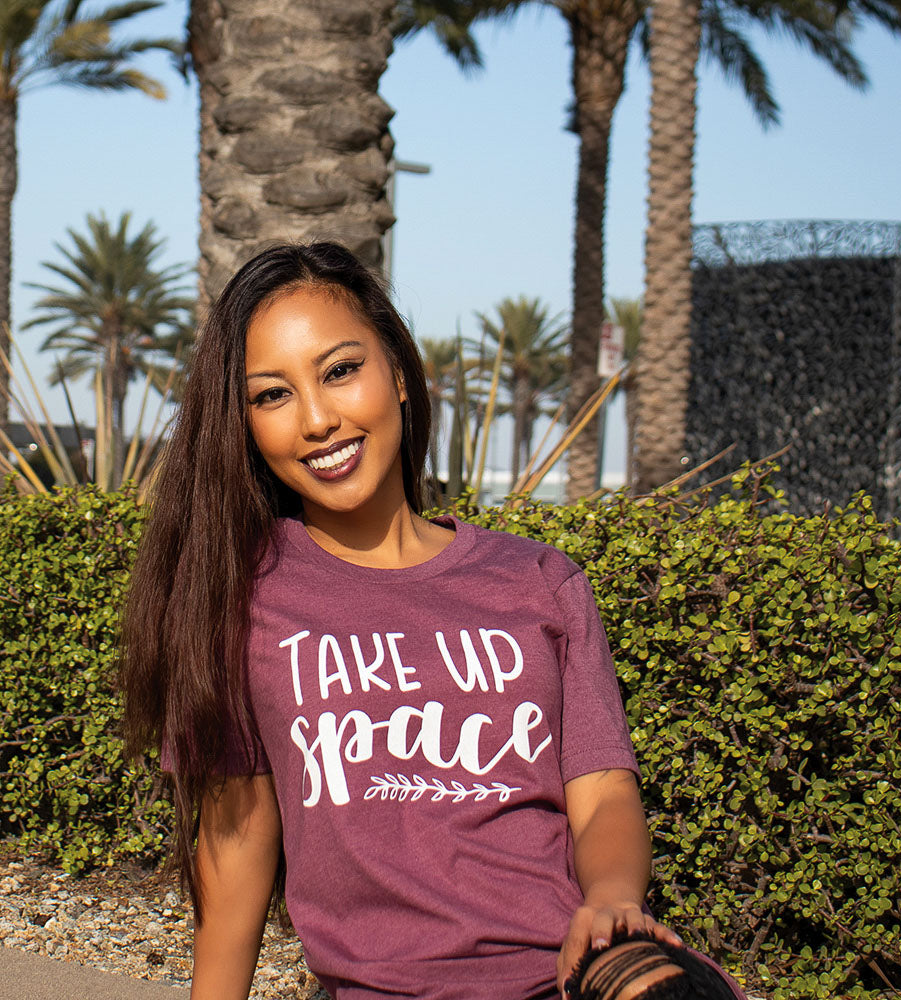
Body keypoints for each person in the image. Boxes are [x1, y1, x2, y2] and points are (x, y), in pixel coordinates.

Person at [120, 242, 741, 1000]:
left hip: (568, 976)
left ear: (398, 374)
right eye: (272, 396)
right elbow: (237, 847)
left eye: (341, 370)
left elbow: (605, 791)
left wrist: (612, 900)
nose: (317, 420)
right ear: (243, 425)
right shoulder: (239, 600)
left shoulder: (538, 582)